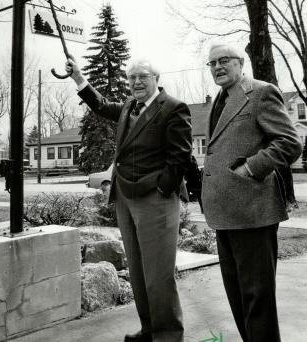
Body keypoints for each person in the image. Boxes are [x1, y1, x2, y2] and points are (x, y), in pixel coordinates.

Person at [66, 56, 192, 342]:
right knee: (137, 270)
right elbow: (99, 105)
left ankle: (169, 335)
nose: (136, 82)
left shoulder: (173, 108)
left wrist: (162, 189)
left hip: (156, 200)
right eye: (132, 77)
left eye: (143, 76)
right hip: (126, 198)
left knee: (159, 274)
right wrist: (78, 78)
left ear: (155, 78)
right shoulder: (128, 107)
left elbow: (180, 156)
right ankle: (149, 330)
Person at [202, 43, 302, 342]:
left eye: (224, 61)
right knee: (237, 296)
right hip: (224, 214)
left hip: (253, 211)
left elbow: (290, 142)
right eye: (212, 63)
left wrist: (251, 168)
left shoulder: (261, 92)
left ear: (240, 62)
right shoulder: (218, 100)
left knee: (257, 299)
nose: (218, 67)